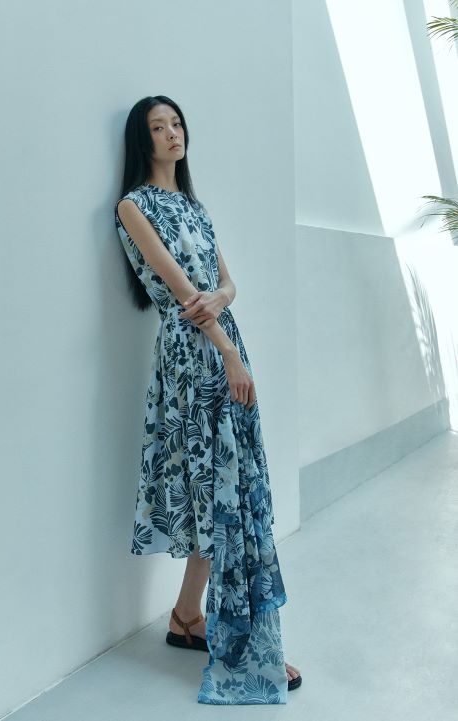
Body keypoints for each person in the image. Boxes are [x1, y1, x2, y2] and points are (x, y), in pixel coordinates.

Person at [114, 94, 302, 704]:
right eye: (158, 127)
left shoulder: (195, 206)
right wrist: (227, 350)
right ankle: (236, 643)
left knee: (230, 488)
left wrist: (223, 302)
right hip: (196, 356)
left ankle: (186, 616)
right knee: (217, 491)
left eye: (176, 123)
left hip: (223, 345)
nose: (172, 133)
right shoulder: (133, 206)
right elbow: (182, 292)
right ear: (142, 140)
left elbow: (226, 284)